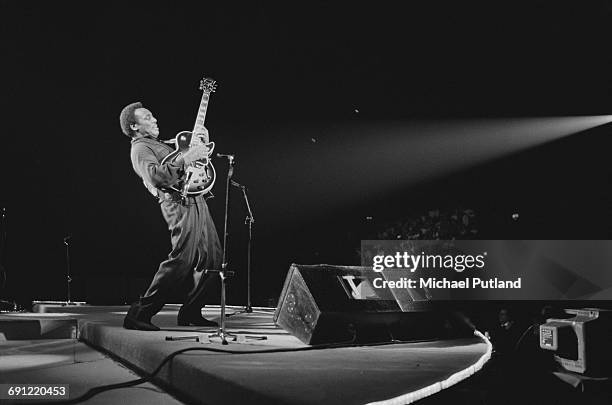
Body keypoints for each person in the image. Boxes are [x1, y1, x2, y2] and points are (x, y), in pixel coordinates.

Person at [119, 101, 222, 331]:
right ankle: (139, 313)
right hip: (178, 202)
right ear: (134, 126)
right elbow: (157, 177)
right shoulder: (140, 148)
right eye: (147, 117)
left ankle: (191, 312)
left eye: (153, 115)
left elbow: (190, 160)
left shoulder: (161, 144)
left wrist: (200, 144)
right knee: (182, 260)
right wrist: (185, 158)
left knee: (213, 259)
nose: (154, 119)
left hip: (197, 199)